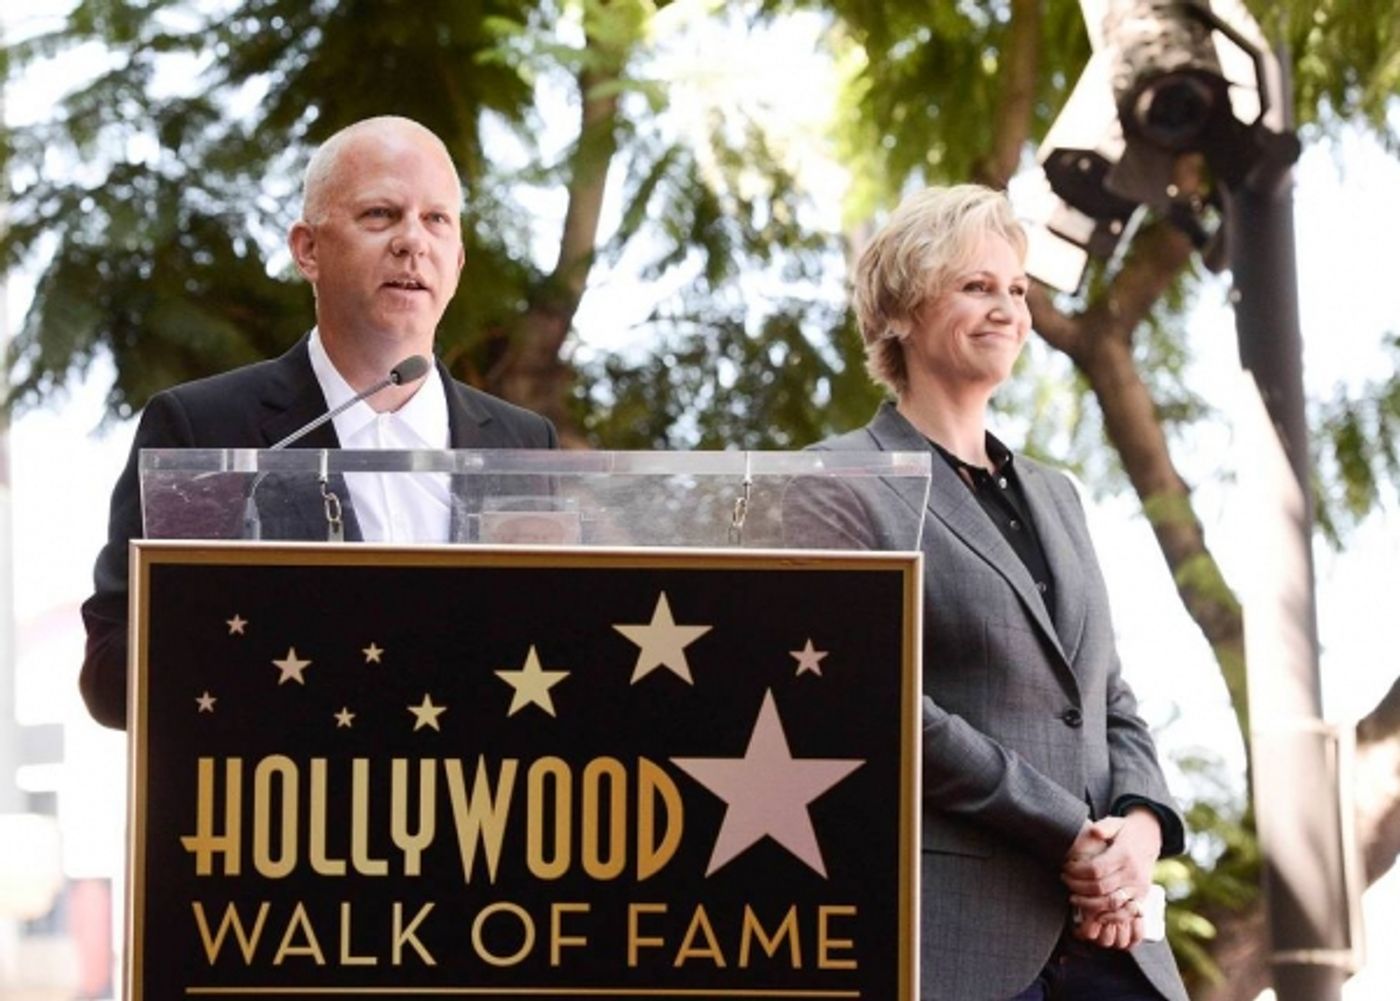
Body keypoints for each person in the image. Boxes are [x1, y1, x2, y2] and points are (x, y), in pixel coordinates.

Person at [789, 185, 1188, 1000]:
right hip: (960, 942)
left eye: (1016, 289)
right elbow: (875, 700)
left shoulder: (1058, 495)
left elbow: (1107, 696)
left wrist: (1138, 834)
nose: (1007, 307)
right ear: (899, 310)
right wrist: (1066, 831)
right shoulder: (839, 481)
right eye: (976, 286)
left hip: (1119, 942)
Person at [79, 116, 557, 730]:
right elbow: (110, 676)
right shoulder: (206, 431)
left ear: (458, 259)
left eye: (436, 219)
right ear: (308, 249)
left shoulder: (525, 445)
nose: (413, 241)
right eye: (381, 214)